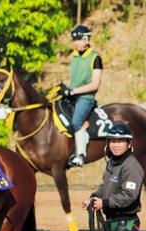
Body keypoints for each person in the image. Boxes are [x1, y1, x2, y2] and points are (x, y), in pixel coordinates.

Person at [62, 25, 103, 168]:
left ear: (86, 39)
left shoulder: (95, 58)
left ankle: (80, 155)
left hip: (86, 97)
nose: (76, 42)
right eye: (74, 40)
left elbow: (95, 85)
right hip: (73, 95)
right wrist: (66, 88)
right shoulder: (74, 56)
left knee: (76, 122)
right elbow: (74, 79)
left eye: (79, 39)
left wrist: (74, 91)